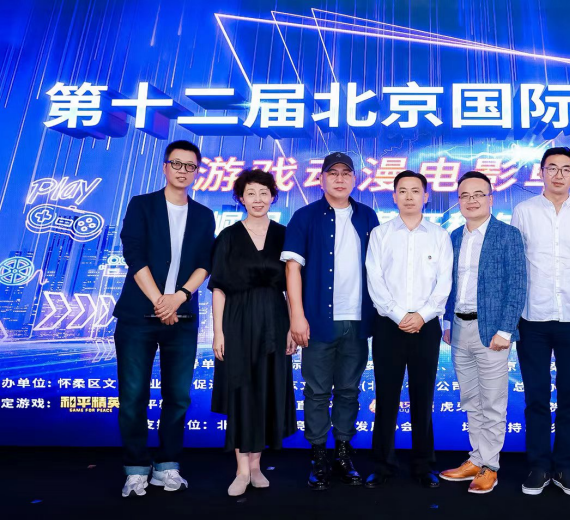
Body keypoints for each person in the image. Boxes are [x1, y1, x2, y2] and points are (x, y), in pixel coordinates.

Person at [113, 140, 216, 497]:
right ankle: (136, 468)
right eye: (177, 163)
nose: (183, 171)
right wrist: (160, 301)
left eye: (191, 166)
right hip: (137, 318)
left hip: (182, 317)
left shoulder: (203, 214)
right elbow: (134, 255)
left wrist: (179, 298)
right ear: (165, 166)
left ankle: (168, 465)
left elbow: (205, 262)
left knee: (177, 397)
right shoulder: (141, 205)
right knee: (133, 396)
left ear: (197, 171)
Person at [511, 146, 570, 497]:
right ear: (541, 172)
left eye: (566, 169)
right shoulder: (523, 211)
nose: (559, 174)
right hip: (531, 319)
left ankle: (565, 467)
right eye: (552, 168)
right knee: (535, 397)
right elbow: (515, 264)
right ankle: (538, 466)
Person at [282, 152, 380, 490]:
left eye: (346, 173)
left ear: (354, 179)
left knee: (349, 390)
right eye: (333, 173)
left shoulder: (368, 216)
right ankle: (319, 455)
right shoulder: (305, 216)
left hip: (358, 320)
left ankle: (342, 452)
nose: (340, 179)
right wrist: (296, 316)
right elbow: (292, 268)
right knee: (317, 391)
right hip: (318, 320)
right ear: (321, 179)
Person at [210, 169, 297, 496]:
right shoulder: (228, 237)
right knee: (242, 390)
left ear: (273, 197)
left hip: (275, 320)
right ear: (240, 198)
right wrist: (218, 332)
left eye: (264, 193)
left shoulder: (285, 235)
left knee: (267, 389)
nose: (258, 199)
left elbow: (293, 287)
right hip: (237, 321)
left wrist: (292, 326)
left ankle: (257, 465)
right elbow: (218, 288)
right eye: (251, 193)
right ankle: (241, 469)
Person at [438, 171, 526, 494]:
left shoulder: (507, 235)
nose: (471, 200)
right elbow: (449, 283)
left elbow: (517, 284)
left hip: (491, 331)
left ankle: (490, 465)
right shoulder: (453, 237)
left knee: (492, 401)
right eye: (465, 195)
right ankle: (476, 458)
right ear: (459, 201)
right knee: (471, 399)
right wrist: (447, 322)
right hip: (458, 328)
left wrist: (506, 330)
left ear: (491, 198)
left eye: (479, 194)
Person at [364, 170, 453, 488]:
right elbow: (374, 280)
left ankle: (423, 465)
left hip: (426, 327)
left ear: (426, 196)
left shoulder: (439, 235)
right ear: (394, 196)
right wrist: (399, 314)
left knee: (422, 395)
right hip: (388, 325)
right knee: (386, 396)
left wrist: (423, 315)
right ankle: (382, 465)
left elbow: (444, 283)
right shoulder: (381, 234)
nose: (409, 196)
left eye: (416, 191)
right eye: (402, 190)